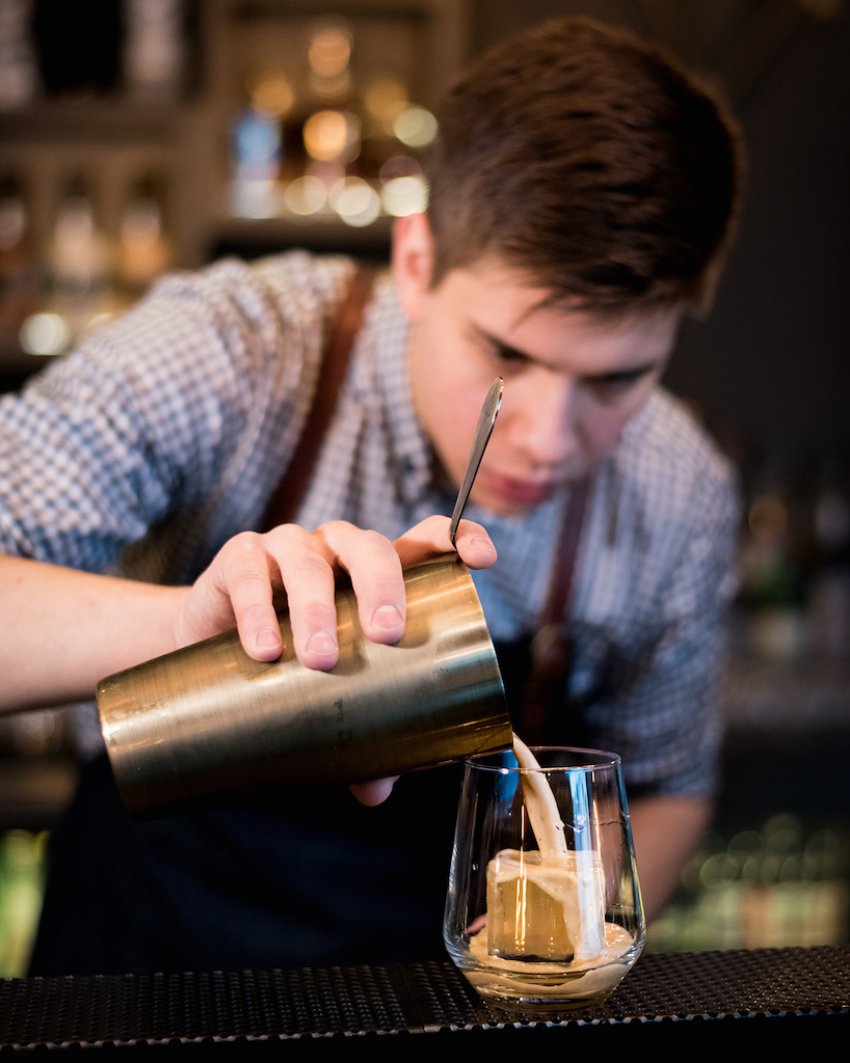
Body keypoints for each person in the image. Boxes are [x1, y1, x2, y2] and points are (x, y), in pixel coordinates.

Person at [0, 16, 743, 976]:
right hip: (147, 972)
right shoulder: (236, 349)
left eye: (618, 379)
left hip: (441, 990)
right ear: (418, 261)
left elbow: (667, 780)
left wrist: (564, 951)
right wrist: (191, 627)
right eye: (508, 354)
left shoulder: (677, 489)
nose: (549, 439)